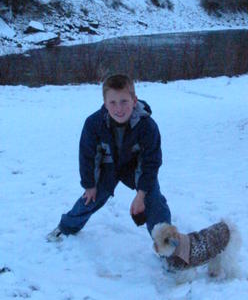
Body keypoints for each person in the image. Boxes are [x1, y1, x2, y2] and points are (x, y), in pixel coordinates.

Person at [47, 73, 171, 241]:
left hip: (135, 168)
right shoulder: (93, 124)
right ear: (105, 104)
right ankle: (66, 227)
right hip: (108, 166)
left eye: (124, 101)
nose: (118, 109)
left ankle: (166, 243)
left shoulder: (147, 126)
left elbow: (152, 162)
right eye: (112, 102)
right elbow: (87, 157)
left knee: (154, 199)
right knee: (90, 198)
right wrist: (89, 184)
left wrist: (141, 195)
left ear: (134, 101)